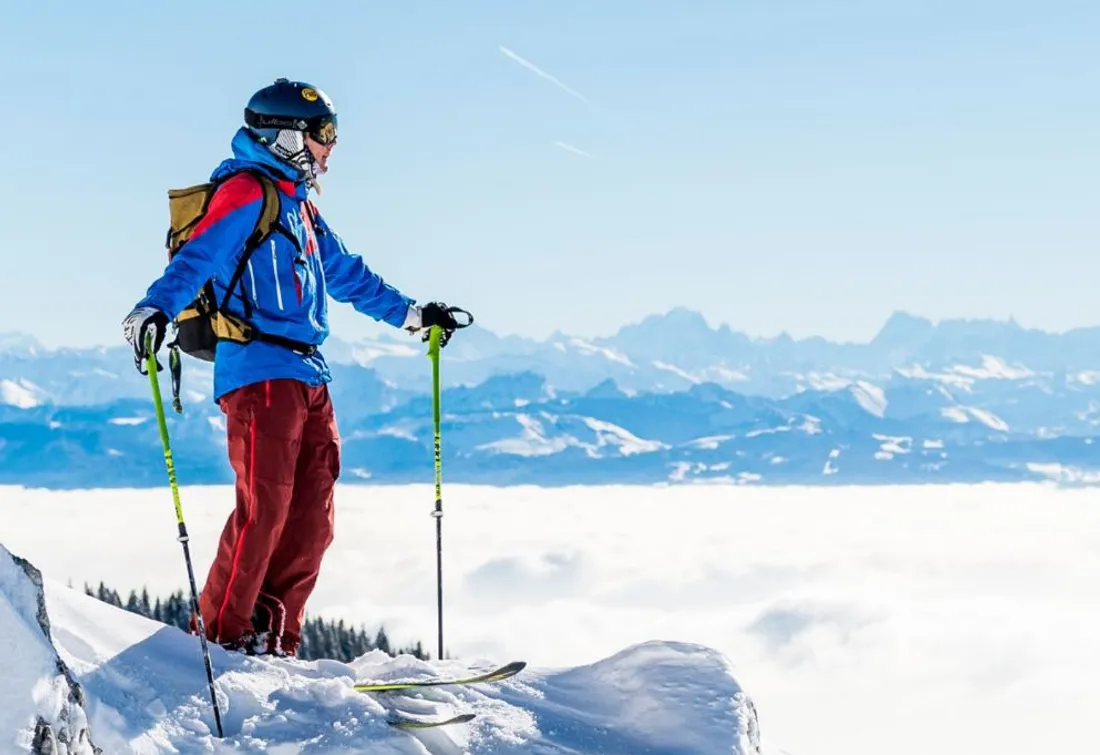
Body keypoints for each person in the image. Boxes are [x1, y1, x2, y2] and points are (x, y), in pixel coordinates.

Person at [121, 78, 467, 657]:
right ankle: (222, 637)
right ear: (285, 135)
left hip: (309, 373)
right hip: (260, 372)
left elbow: (347, 273)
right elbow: (198, 256)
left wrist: (413, 315)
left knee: (312, 520)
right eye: (323, 133)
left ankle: (273, 638)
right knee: (266, 509)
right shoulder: (246, 191)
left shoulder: (298, 203)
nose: (331, 146)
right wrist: (155, 308)